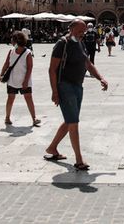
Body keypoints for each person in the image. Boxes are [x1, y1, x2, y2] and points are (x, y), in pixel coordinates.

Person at [44, 20, 108, 170]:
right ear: (71, 29)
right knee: (73, 122)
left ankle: (52, 148)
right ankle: (79, 159)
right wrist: (54, 91)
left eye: (84, 30)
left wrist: (101, 78)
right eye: (80, 30)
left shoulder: (80, 43)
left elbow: (87, 63)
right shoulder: (62, 44)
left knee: (70, 120)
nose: (83, 33)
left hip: (78, 86)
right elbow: (52, 69)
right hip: (65, 86)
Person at [0, 32, 40, 126]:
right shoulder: (11, 51)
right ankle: (7, 117)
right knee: (10, 98)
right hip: (12, 79)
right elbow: (6, 63)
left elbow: (30, 68)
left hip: (24, 80)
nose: (11, 41)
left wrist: (26, 81)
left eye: (12, 39)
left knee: (28, 98)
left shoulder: (27, 53)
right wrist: (1, 74)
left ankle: (34, 118)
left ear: (16, 41)